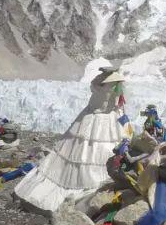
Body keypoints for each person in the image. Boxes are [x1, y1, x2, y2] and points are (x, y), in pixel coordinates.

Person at [15, 68, 132, 212]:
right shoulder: (116, 84)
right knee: (92, 146)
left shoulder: (103, 82)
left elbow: (102, 101)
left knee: (83, 147)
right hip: (105, 117)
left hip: (98, 116)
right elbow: (113, 103)